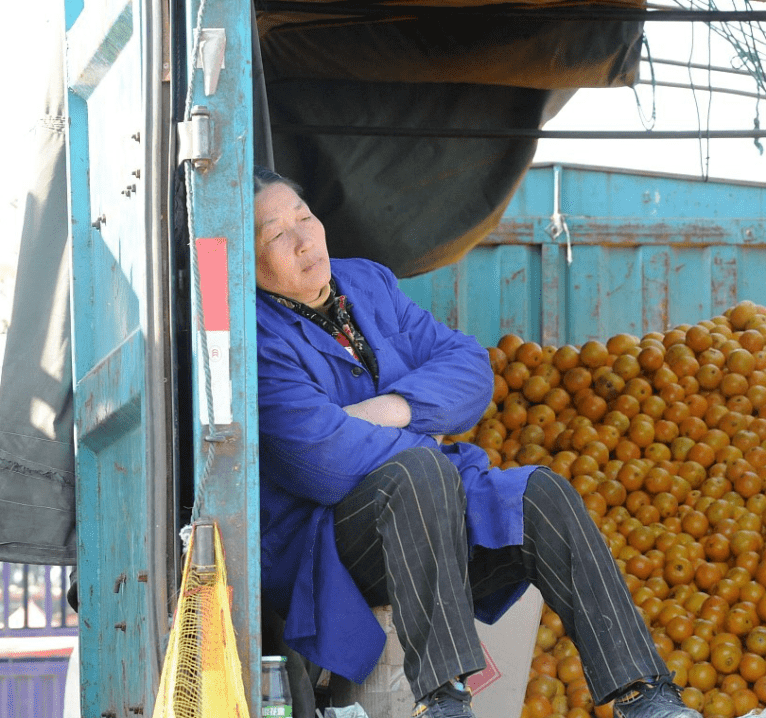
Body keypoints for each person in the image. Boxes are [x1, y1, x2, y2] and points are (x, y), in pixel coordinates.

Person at [253, 165, 702, 718]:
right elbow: (321, 459)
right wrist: (427, 433)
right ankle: (444, 701)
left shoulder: (367, 282)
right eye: (276, 234)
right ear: (248, 263)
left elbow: (469, 368)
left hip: (432, 507)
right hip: (333, 545)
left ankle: (647, 695)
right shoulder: (256, 334)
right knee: (423, 474)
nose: (303, 240)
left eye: (304, 218)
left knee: (541, 492)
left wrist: (396, 409)